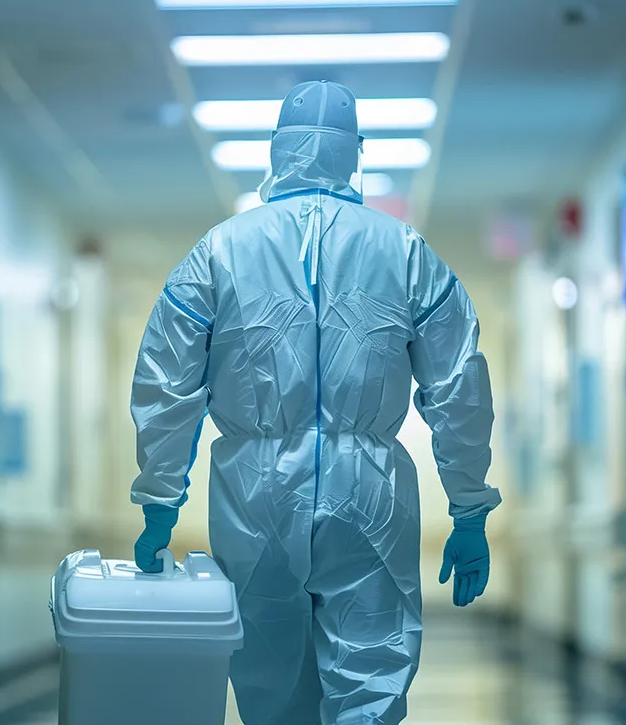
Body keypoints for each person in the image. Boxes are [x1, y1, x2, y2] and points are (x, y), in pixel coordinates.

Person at [129, 80, 501, 725]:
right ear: (356, 151)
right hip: (371, 493)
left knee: (269, 690)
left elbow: (167, 386)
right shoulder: (404, 251)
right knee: (371, 686)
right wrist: (469, 507)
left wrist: (160, 499)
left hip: (252, 496)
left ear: (276, 147)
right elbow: (459, 387)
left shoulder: (219, 251)